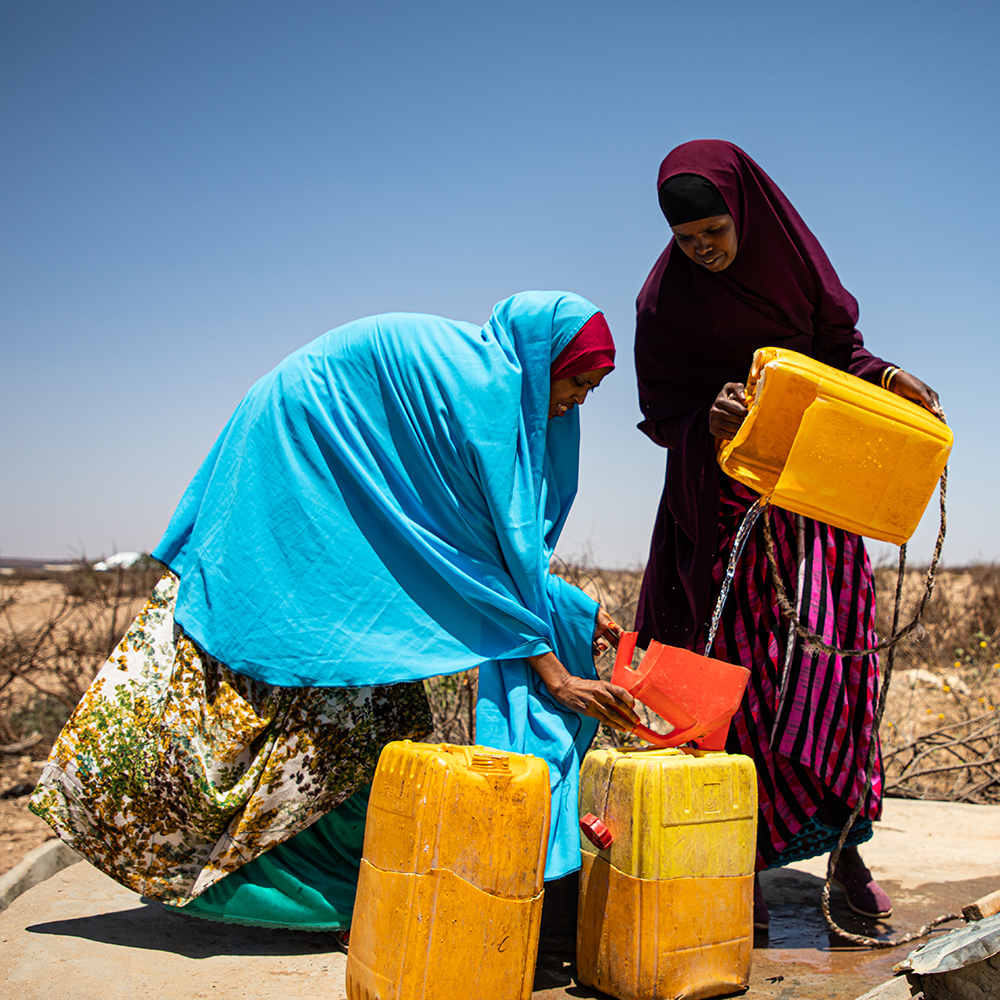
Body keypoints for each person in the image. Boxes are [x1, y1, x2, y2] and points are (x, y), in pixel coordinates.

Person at [30, 290, 638, 941]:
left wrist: (573, 610)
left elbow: (484, 550)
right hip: (297, 462)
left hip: (336, 470)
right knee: (259, 671)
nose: (577, 401)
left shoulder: (491, 389)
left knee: (366, 695)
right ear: (540, 364)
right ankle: (155, 830)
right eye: (575, 382)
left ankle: (341, 880)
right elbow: (470, 562)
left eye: (593, 390)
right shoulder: (482, 401)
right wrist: (555, 676)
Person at [633, 141, 940, 930]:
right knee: (740, 690)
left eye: (714, 231)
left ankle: (846, 853)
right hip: (728, 519)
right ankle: (741, 869)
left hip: (817, 511)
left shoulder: (795, 264)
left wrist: (890, 379)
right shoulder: (662, 305)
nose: (703, 249)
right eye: (687, 239)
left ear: (746, 212)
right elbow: (663, 411)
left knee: (835, 686)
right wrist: (710, 415)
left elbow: (843, 355)